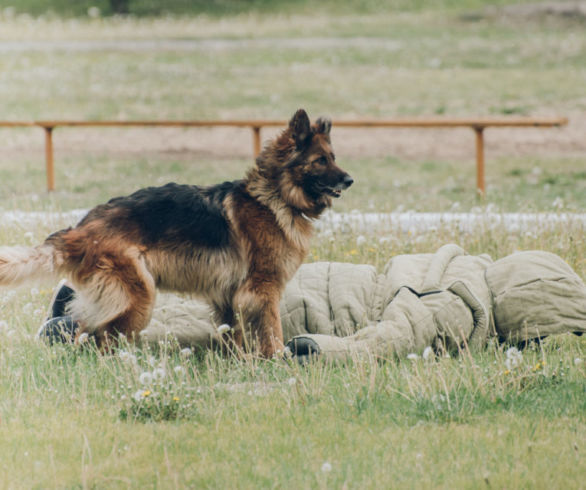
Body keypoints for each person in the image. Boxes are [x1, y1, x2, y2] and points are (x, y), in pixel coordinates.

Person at [38, 244, 586, 362]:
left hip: (317, 283)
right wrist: (329, 353)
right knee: (211, 338)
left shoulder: (454, 263)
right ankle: (85, 329)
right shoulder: (461, 304)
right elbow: (397, 335)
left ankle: (84, 309)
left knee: (208, 311)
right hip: (317, 314)